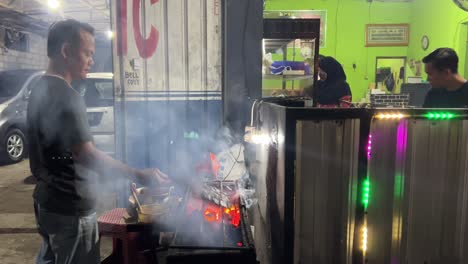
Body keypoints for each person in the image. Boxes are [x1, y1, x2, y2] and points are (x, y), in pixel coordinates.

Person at [27, 19, 169, 264]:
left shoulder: (39, 88)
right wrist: (138, 173)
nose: (91, 60)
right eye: (87, 53)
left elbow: (58, 149)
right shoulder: (68, 96)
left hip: (46, 203)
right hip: (71, 209)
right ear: (66, 51)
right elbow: (86, 155)